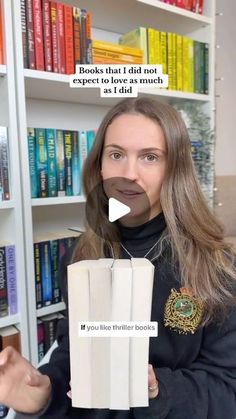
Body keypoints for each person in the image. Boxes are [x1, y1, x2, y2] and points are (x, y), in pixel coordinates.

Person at [0, 97, 236, 419]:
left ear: (174, 169)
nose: (128, 174)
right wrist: (45, 392)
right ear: (100, 165)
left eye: (150, 157)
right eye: (116, 155)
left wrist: (155, 390)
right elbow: (74, 359)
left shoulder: (217, 266)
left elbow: (227, 389)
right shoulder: (80, 256)